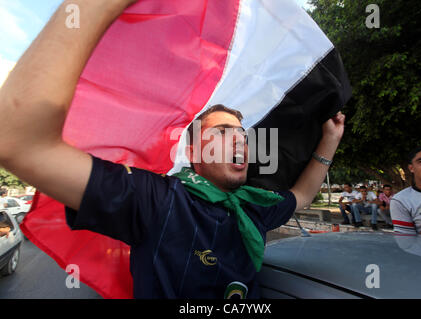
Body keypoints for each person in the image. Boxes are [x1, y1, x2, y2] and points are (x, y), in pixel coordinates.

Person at [0, 0, 345, 298]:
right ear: (193, 152)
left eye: (241, 133)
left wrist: (331, 138)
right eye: (224, 132)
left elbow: (302, 196)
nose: (241, 139)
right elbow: (19, 141)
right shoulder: (156, 200)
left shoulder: (253, 208)